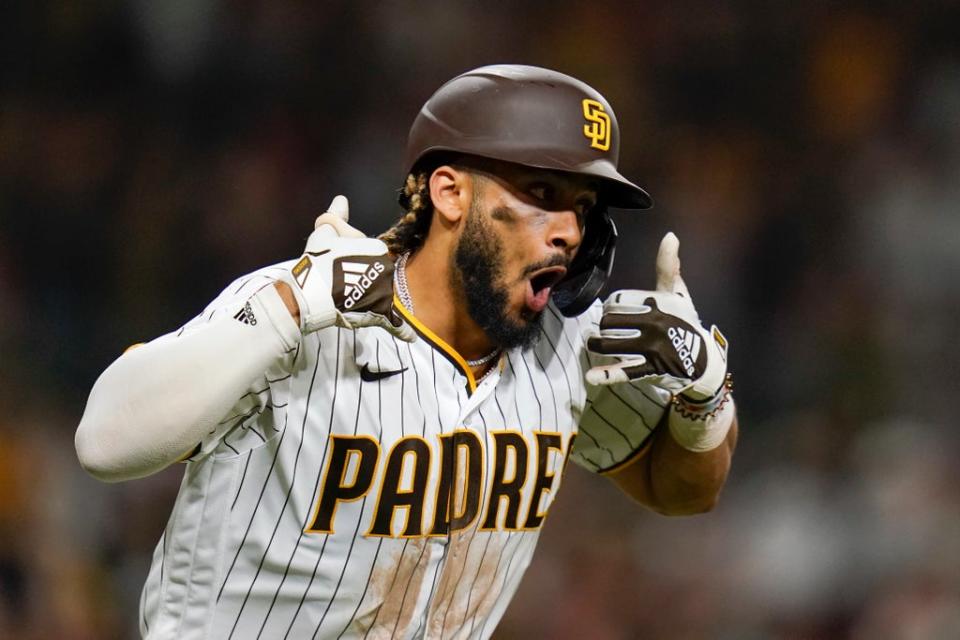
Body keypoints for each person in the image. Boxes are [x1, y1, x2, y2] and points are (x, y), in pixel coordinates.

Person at [76, 64, 737, 640]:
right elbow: (105, 442)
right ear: (451, 192)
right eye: (542, 195)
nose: (568, 229)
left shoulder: (562, 349)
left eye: (583, 206)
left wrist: (705, 399)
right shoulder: (309, 310)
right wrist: (288, 307)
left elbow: (676, 489)